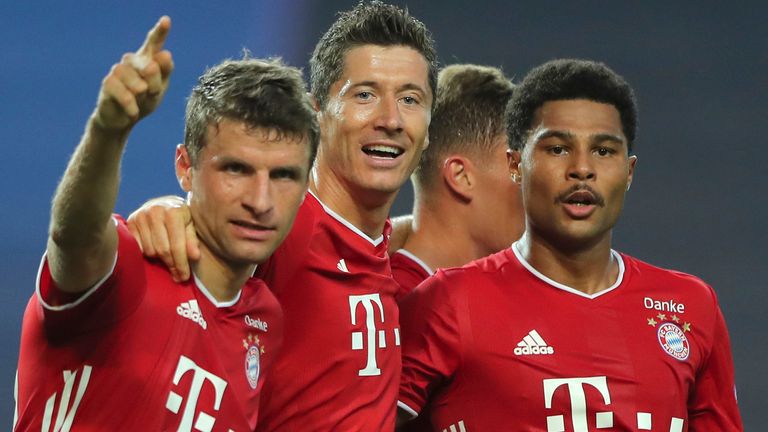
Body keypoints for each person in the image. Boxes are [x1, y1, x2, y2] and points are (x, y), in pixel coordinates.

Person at [127, 2, 437, 430]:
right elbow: (216, 232)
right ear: (314, 115)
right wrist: (168, 210)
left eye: (410, 98)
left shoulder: (381, 251)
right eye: (364, 94)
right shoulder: (284, 227)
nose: (390, 119)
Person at [397, 59, 743, 431]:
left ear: (629, 172)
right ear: (516, 166)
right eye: (558, 149)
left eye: (604, 151)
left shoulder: (692, 306)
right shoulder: (447, 302)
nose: (582, 168)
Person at [14, 17, 319, 431]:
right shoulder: (127, 265)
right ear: (185, 168)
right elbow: (74, 236)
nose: (261, 202)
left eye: (283, 176)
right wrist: (109, 131)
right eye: (236, 169)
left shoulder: (265, 321)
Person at [389, 63, 523, 300]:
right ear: (461, 176)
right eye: (517, 164)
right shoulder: (392, 310)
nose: (534, 182)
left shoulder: (508, 294)